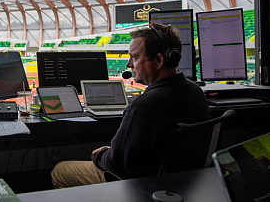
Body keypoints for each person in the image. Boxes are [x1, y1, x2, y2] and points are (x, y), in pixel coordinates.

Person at [51, 22, 211, 188]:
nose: (128, 64)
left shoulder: (145, 105)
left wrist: (101, 155)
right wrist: (116, 151)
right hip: (183, 183)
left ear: (158, 60)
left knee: (60, 171)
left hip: (141, 185)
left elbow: (117, 165)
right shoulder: (195, 92)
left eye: (134, 57)